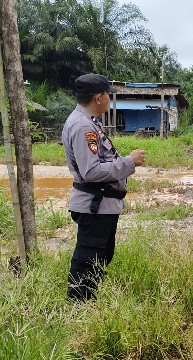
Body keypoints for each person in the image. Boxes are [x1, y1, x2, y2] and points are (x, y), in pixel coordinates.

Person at [62, 73, 146, 301]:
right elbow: (91, 171)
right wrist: (129, 162)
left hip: (102, 205)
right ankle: (80, 307)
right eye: (108, 94)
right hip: (94, 207)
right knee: (88, 260)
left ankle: (89, 303)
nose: (110, 99)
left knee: (100, 256)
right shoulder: (83, 127)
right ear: (99, 97)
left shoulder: (89, 123)